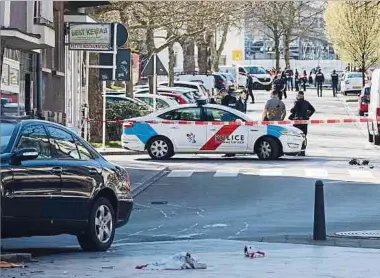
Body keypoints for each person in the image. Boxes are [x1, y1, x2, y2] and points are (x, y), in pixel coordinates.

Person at [289, 91, 315, 156]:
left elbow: (293, 110)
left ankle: (295, 151)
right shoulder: (306, 102)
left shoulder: (297, 102)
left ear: (298, 96)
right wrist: (308, 115)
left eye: (298, 95)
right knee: (304, 136)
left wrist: (292, 109)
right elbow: (313, 109)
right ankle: (303, 151)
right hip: (305, 121)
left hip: (297, 121)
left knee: (296, 136)